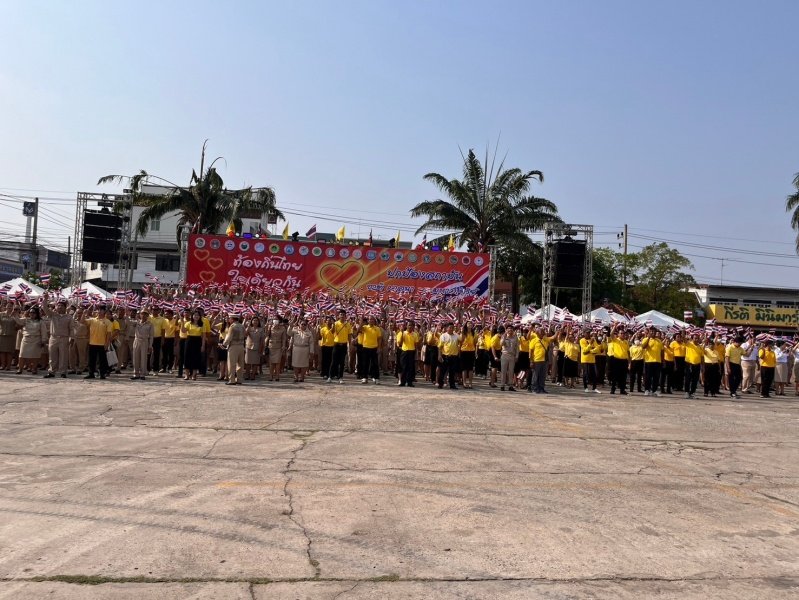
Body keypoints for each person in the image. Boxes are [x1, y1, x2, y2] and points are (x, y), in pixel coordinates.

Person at [42, 296, 74, 379]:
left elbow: (71, 329)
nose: (59, 307)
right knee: (52, 356)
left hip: (64, 338)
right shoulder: (53, 315)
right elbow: (44, 308)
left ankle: (63, 372)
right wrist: (45, 299)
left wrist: (71, 338)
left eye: (61, 306)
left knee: (63, 356)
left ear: (65, 307)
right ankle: (51, 371)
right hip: (53, 338)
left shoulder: (69, 317)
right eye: (58, 305)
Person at [13, 306, 47, 375]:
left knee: (35, 356)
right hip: (26, 339)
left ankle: (34, 369)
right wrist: (15, 314)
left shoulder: (40, 321)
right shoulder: (26, 320)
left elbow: (44, 331)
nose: (32, 314)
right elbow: (18, 321)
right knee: (22, 355)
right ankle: (20, 368)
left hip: (36, 340)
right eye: (31, 312)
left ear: (37, 313)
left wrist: (43, 340)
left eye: (34, 313)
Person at [81, 306, 112, 380]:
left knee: (102, 360)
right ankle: (91, 373)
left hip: (102, 344)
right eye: (98, 310)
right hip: (92, 343)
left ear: (104, 312)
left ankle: (102, 374)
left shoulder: (108, 322)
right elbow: (82, 321)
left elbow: (108, 334)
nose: (99, 311)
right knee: (92, 360)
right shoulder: (92, 320)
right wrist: (84, 313)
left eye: (101, 310)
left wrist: (107, 344)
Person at [222, 314, 246, 385]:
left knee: (232, 364)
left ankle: (232, 380)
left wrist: (224, 344)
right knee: (240, 364)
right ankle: (239, 379)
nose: (229, 320)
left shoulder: (232, 327)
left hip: (233, 346)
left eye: (229, 318)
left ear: (232, 319)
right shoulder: (242, 326)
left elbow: (229, 337)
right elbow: (245, 335)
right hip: (241, 346)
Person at [181, 311, 205, 381]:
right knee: (187, 357)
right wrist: (182, 322)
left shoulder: (202, 324)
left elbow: (203, 336)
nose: (196, 316)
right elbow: (183, 331)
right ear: (192, 316)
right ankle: (186, 374)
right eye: (195, 315)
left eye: (198, 315)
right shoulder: (188, 323)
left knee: (196, 358)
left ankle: (194, 375)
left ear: (200, 317)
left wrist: (203, 346)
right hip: (189, 341)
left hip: (198, 341)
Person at [130, 309, 154, 380]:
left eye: (145, 314)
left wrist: (150, 345)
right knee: (135, 357)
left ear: (147, 315)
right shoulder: (136, 322)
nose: (143, 315)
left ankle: (143, 374)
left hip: (144, 341)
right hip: (137, 340)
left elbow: (151, 336)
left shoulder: (150, 324)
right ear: (140, 314)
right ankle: (136, 373)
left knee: (143, 358)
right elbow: (128, 322)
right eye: (142, 314)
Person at [328, 309, 351, 384]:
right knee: (334, 361)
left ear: (345, 316)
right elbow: (332, 331)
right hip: (336, 345)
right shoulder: (336, 323)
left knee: (342, 362)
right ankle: (330, 377)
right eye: (340, 315)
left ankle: (340, 377)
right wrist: (333, 324)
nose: (342, 316)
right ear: (338, 316)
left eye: (343, 315)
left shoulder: (348, 324)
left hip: (344, 345)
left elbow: (349, 336)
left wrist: (349, 345)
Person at [358, 315, 382, 384]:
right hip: (366, 347)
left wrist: (379, 347)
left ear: (374, 321)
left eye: (372, 319)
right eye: (369, 319)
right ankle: (364, 378)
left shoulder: (377, 328)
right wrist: (361, 321)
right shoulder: (365, 327)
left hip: (374, 348)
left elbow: (379, 339)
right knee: (365, 364)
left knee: (375, 364)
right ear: (368, 321)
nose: (371, 320)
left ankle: (376, 378)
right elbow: (359, 330)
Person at [437, 322, 461, 390]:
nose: (451, 329)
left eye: (452, 327)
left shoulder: (456, 335)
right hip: (445, 356)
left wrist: (460, 331)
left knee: (452, 372)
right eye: (450, 327)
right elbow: (439, 347)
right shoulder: (443, 336)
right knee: (442, 371)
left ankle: (452, 385)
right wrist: (439, 355)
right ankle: (440, 384)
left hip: (454, 356)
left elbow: (461, 340)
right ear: (447, 328)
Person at [640, 328, 663, 397]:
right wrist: (648, 338)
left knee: (656, 377)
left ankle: (654, 390)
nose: (653, 332)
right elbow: (643, 347)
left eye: (654, 331)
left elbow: (662, 351)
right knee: (648, 377)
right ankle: (647, 390)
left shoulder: (659, 341)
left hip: (657, 361)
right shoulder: (645, 339)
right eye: (651, 331)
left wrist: (663, 361)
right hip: (649, 361)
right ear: (649, 332)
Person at [608, 324, 630, 395]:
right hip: (616, 360)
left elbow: (627, 352)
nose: (623, 334)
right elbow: (611, 334)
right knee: (615, 375)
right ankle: (613, 389)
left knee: (623, 376)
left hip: (624, 361)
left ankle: (622, 390)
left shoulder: (626, 342)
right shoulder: (615, 340)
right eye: (621, 333)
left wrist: (629, 362)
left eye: (623, 333)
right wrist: (614, 326)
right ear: (618, 334)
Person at [396, 320, 419, 387]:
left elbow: (416, 344)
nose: (410, 327)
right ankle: (403, 381)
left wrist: (416, 352)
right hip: (404, 351)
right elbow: (399, 343)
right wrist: (402, 333)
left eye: (412, 325)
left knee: (410, 367)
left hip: (412, 351)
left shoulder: (415, 334)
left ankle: (409, 382)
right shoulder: (402, 333)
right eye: (409, 325)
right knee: (404, 367)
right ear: (406, 326)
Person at [267, 316, 288, 382]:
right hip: (271, 346)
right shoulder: (270, 327)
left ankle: (277, 376)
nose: (275, 320)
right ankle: (271, 375)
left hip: (279, 346)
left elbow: (284, 338)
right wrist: (269, 327)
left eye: (277, 319)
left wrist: (284, 346)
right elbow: (267, 335)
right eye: (274, 319)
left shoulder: (282, 328)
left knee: (278, 362)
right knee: (271, 362)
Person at [244, 316, 266, 381]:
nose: (255, 322)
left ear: (258, 322)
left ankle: (253, 375)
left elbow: (262, 340)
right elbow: (245, 334)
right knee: (248, 362)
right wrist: (248, 326)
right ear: (251, 321)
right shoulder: (249, 328)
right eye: (254, 320)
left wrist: (261, 348)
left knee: (255, 362)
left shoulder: (261, 329)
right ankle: (247, 374)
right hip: (249, 347)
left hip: (257, 347)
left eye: (256, 320)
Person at [683, 334, 703, 399]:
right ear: (692, 339)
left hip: (697, 365)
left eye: (697, 338)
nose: (696, 339)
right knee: (688, 379)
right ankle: (686, 392)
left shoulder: (700, 347)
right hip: (689, 364)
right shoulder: (689, 344)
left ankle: (692, 393)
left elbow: (702, 356)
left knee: (695, 380)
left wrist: (702, 366)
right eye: (695, 338)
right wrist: (683, 331)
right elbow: (683, 338)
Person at [498, 324, 518, 391]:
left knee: (511, 371)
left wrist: (517, 356)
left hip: (512, 356)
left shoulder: (515, 337)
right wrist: (504, 337)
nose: (510, 330)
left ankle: (510, 385)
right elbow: (501, 344)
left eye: (511, 329)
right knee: (503, 371)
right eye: (508, 329)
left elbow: (517, 348)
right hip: (505, 355)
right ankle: (502, 385)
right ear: (506, 330)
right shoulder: (503, 336)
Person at [0, 303, 17, 371]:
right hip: (2, 335)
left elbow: (19, 324)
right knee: (2, 351)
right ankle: (3, 365)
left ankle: (8, 366)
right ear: (5, 307)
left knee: (9, 352)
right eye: (8, 306)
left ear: (13, 307)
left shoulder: (15, 315)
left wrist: (15, 316)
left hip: (11, 335)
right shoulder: (1, 314)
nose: (9, 307)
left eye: (11, 306)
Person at [460, 322, 476, 389]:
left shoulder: (473, 333)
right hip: (464, 351)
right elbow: (461, 342)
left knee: (470, 368)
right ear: (466, 325)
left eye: (471, 324)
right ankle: (464, 383)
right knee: (464, 368)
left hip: (471, 351)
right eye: (468, 323)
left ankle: (470, 383)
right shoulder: (463, 333)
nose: (470, 325)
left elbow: (475, 342)